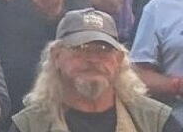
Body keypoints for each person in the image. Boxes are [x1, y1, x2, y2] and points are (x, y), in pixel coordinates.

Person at [19, 8, 178, 132]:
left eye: (103, 49)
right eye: (81, 48)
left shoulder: (155, 121)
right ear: (56, 56)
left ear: (119, 59)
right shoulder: (29, 125)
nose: (93, 59)